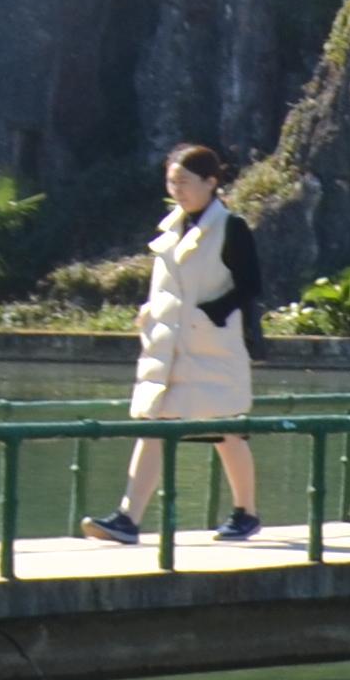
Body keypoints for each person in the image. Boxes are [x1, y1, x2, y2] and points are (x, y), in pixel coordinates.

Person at [91, 142, 264, 544]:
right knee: (155, 424)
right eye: (172, 182)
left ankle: (247, 511)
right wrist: (150, 311)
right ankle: (127, 516)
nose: (178, 190)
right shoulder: (170, 229)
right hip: (170, 347)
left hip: (213, 347)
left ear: (211, 181)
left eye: (185, 182)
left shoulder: (230, 227)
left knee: (227, 430)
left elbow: (250, 284)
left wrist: (214, 312)